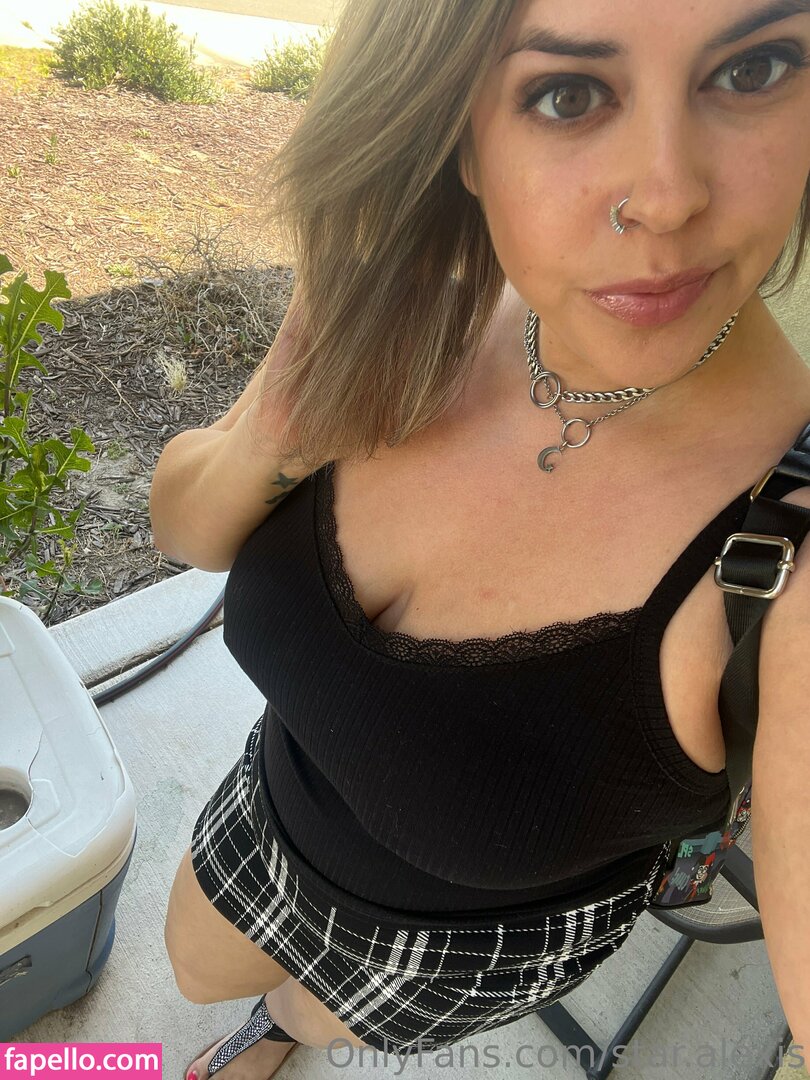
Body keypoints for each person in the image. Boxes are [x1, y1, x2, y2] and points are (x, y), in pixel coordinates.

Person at [153, 0, 810, 1074]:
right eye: (568, 92)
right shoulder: (413, 302)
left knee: (304, 1018)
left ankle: (279, 1030)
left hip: (453, 952)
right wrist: (275, 432)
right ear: (463, 137)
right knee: (189, 966)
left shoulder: (790, 555)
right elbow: (185, 531)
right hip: (269, 802)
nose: (668, 196)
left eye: (754, 70)